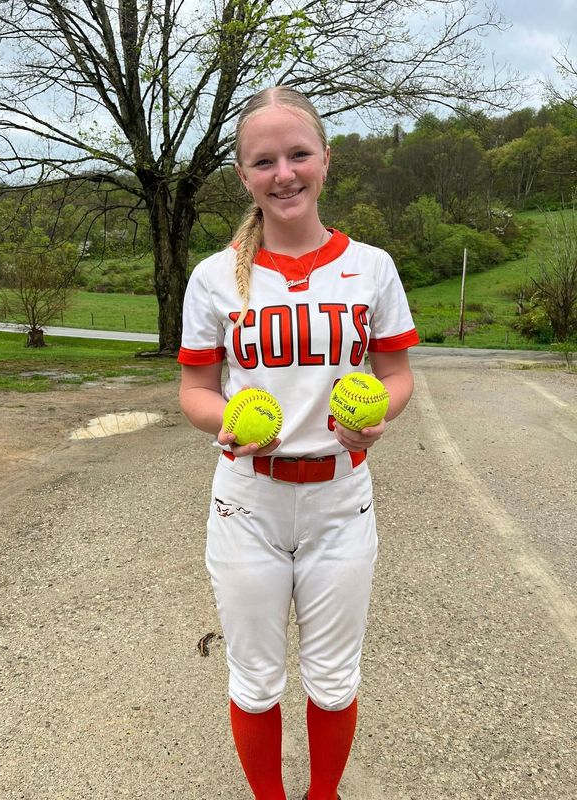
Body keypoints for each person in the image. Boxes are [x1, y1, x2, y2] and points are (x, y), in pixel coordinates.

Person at [178, 86, 419, 800]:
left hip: (341, 497)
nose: (283, 172)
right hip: (247, 500)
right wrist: (219, 421)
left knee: (335, 676)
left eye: (298, 154)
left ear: (325, 161)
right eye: (264, 160)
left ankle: (323, 796)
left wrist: (378, 420)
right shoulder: (215, 277)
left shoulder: (370, 267)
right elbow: (194, 391)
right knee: (255, 681)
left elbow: (397, 375)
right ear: (243, 175)